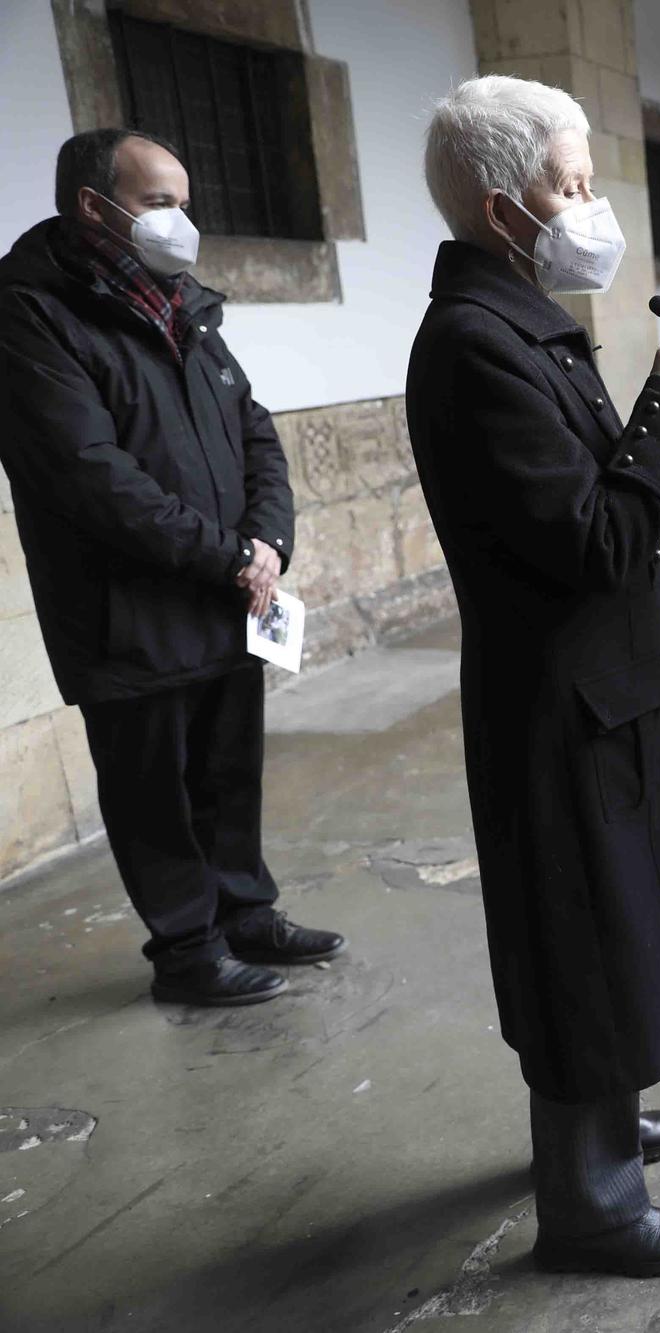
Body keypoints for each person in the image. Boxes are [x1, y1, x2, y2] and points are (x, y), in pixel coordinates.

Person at [407, 75, 660, 1280]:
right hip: (558, 698)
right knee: (581, 942)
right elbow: (598, 539)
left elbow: (587, 505)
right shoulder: (474, 347)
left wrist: (653, 412)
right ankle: (589, 1203)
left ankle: (602, 1121)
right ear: (505, 212)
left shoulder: (521, 321)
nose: (591, 204)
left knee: (619, 928)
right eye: (570, 184)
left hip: (603, 682)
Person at [0, 129, 344, 1008]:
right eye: (160, 203)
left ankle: (246, 912)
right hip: (129, 608)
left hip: (230, 589)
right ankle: (187, 951)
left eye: (184, 202)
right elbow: (91, 476)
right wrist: (229, 555)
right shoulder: (31, 314)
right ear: (94, 206)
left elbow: (253, 428)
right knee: (153, 789)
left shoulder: (181, 300)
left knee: (228, 772)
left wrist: (267, 540)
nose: (181, 221)